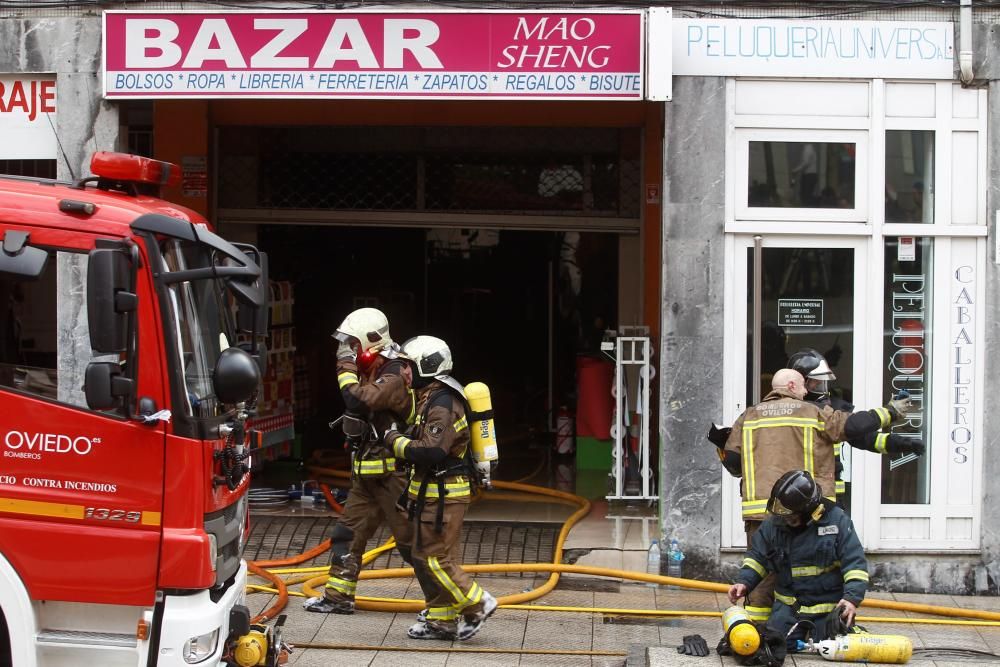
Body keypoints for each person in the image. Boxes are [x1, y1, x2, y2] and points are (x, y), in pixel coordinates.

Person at [723, 368, 907, 625]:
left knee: (760, 579)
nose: (807, 391)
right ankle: (814, 625)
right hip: (804, 512)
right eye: (802, 386)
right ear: (791, 385)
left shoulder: (748, 417)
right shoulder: (812, 412)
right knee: (809, 573)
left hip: (760, 513)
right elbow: (852, 426)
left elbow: (732, 463)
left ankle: (757, 635)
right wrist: (890, 411)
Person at [304, 308, 435, 615]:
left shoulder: (393, 374)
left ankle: (444, 605)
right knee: (346, 534)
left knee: (411, 544)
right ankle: (338, 597)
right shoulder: (373, 370)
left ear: (370, 341)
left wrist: (344, 366)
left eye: (352, 343)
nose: (347, 349)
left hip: (395, 477)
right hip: (367, 476)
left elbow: (358, 400)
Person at [384, 335, 497, 641]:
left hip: (444, 495)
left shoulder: (443, 403)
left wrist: (394, 441)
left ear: (427, 366)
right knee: (427, 555)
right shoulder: (430, 398)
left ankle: (477, 602)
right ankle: (442, 620)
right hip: (433, 493)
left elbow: (432, 450)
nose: (404, 373)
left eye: (408, 367)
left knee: (433, 558)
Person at [727, 470, 868, 666]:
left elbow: (855, 564)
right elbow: (757, 556)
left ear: (807, 510)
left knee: (831, 648)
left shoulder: (837, 521)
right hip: (789, 608)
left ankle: (851, 630)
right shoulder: (776, 523)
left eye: (791, 516)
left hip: (827, 609)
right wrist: (744, 581)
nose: (785, 519)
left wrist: (851, 599)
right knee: (775, 645)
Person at [787, 348, 925, 499]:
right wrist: (890, 411)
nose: (820, 387)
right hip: (796, 494)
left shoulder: (830, 409)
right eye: (815, 382)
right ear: (800, 382)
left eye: (822, 382)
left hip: (826, 497)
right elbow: (855, 425)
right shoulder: (791, 412)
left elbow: (866, 439)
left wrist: (903, 443)